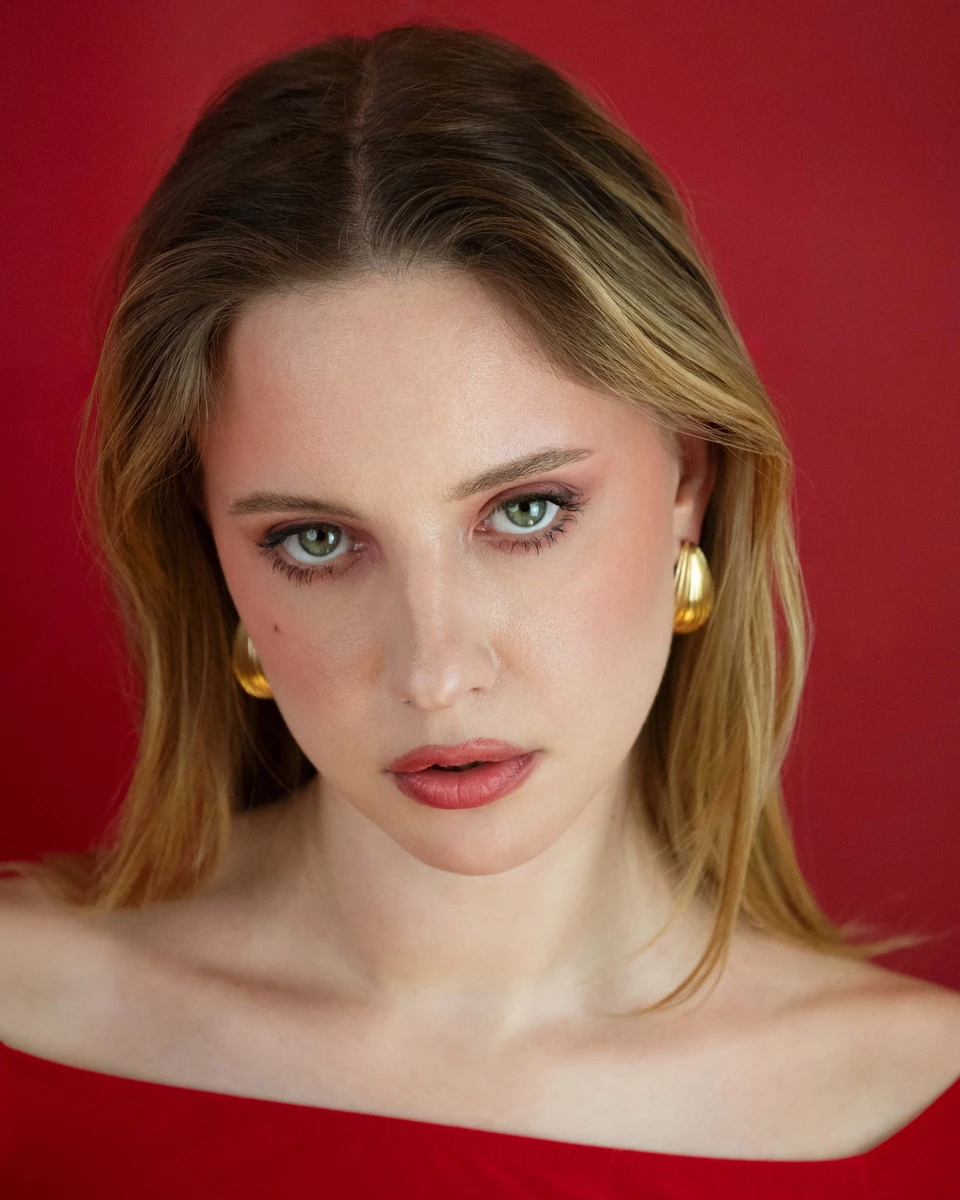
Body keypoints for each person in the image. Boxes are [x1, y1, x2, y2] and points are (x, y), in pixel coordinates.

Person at [1, 22, 957, 1198]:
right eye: (314, 540)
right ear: (212, 557)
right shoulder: (23, 1017)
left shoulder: (922, 1116)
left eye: (525, 512)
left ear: (689, 483)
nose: (436, 672)